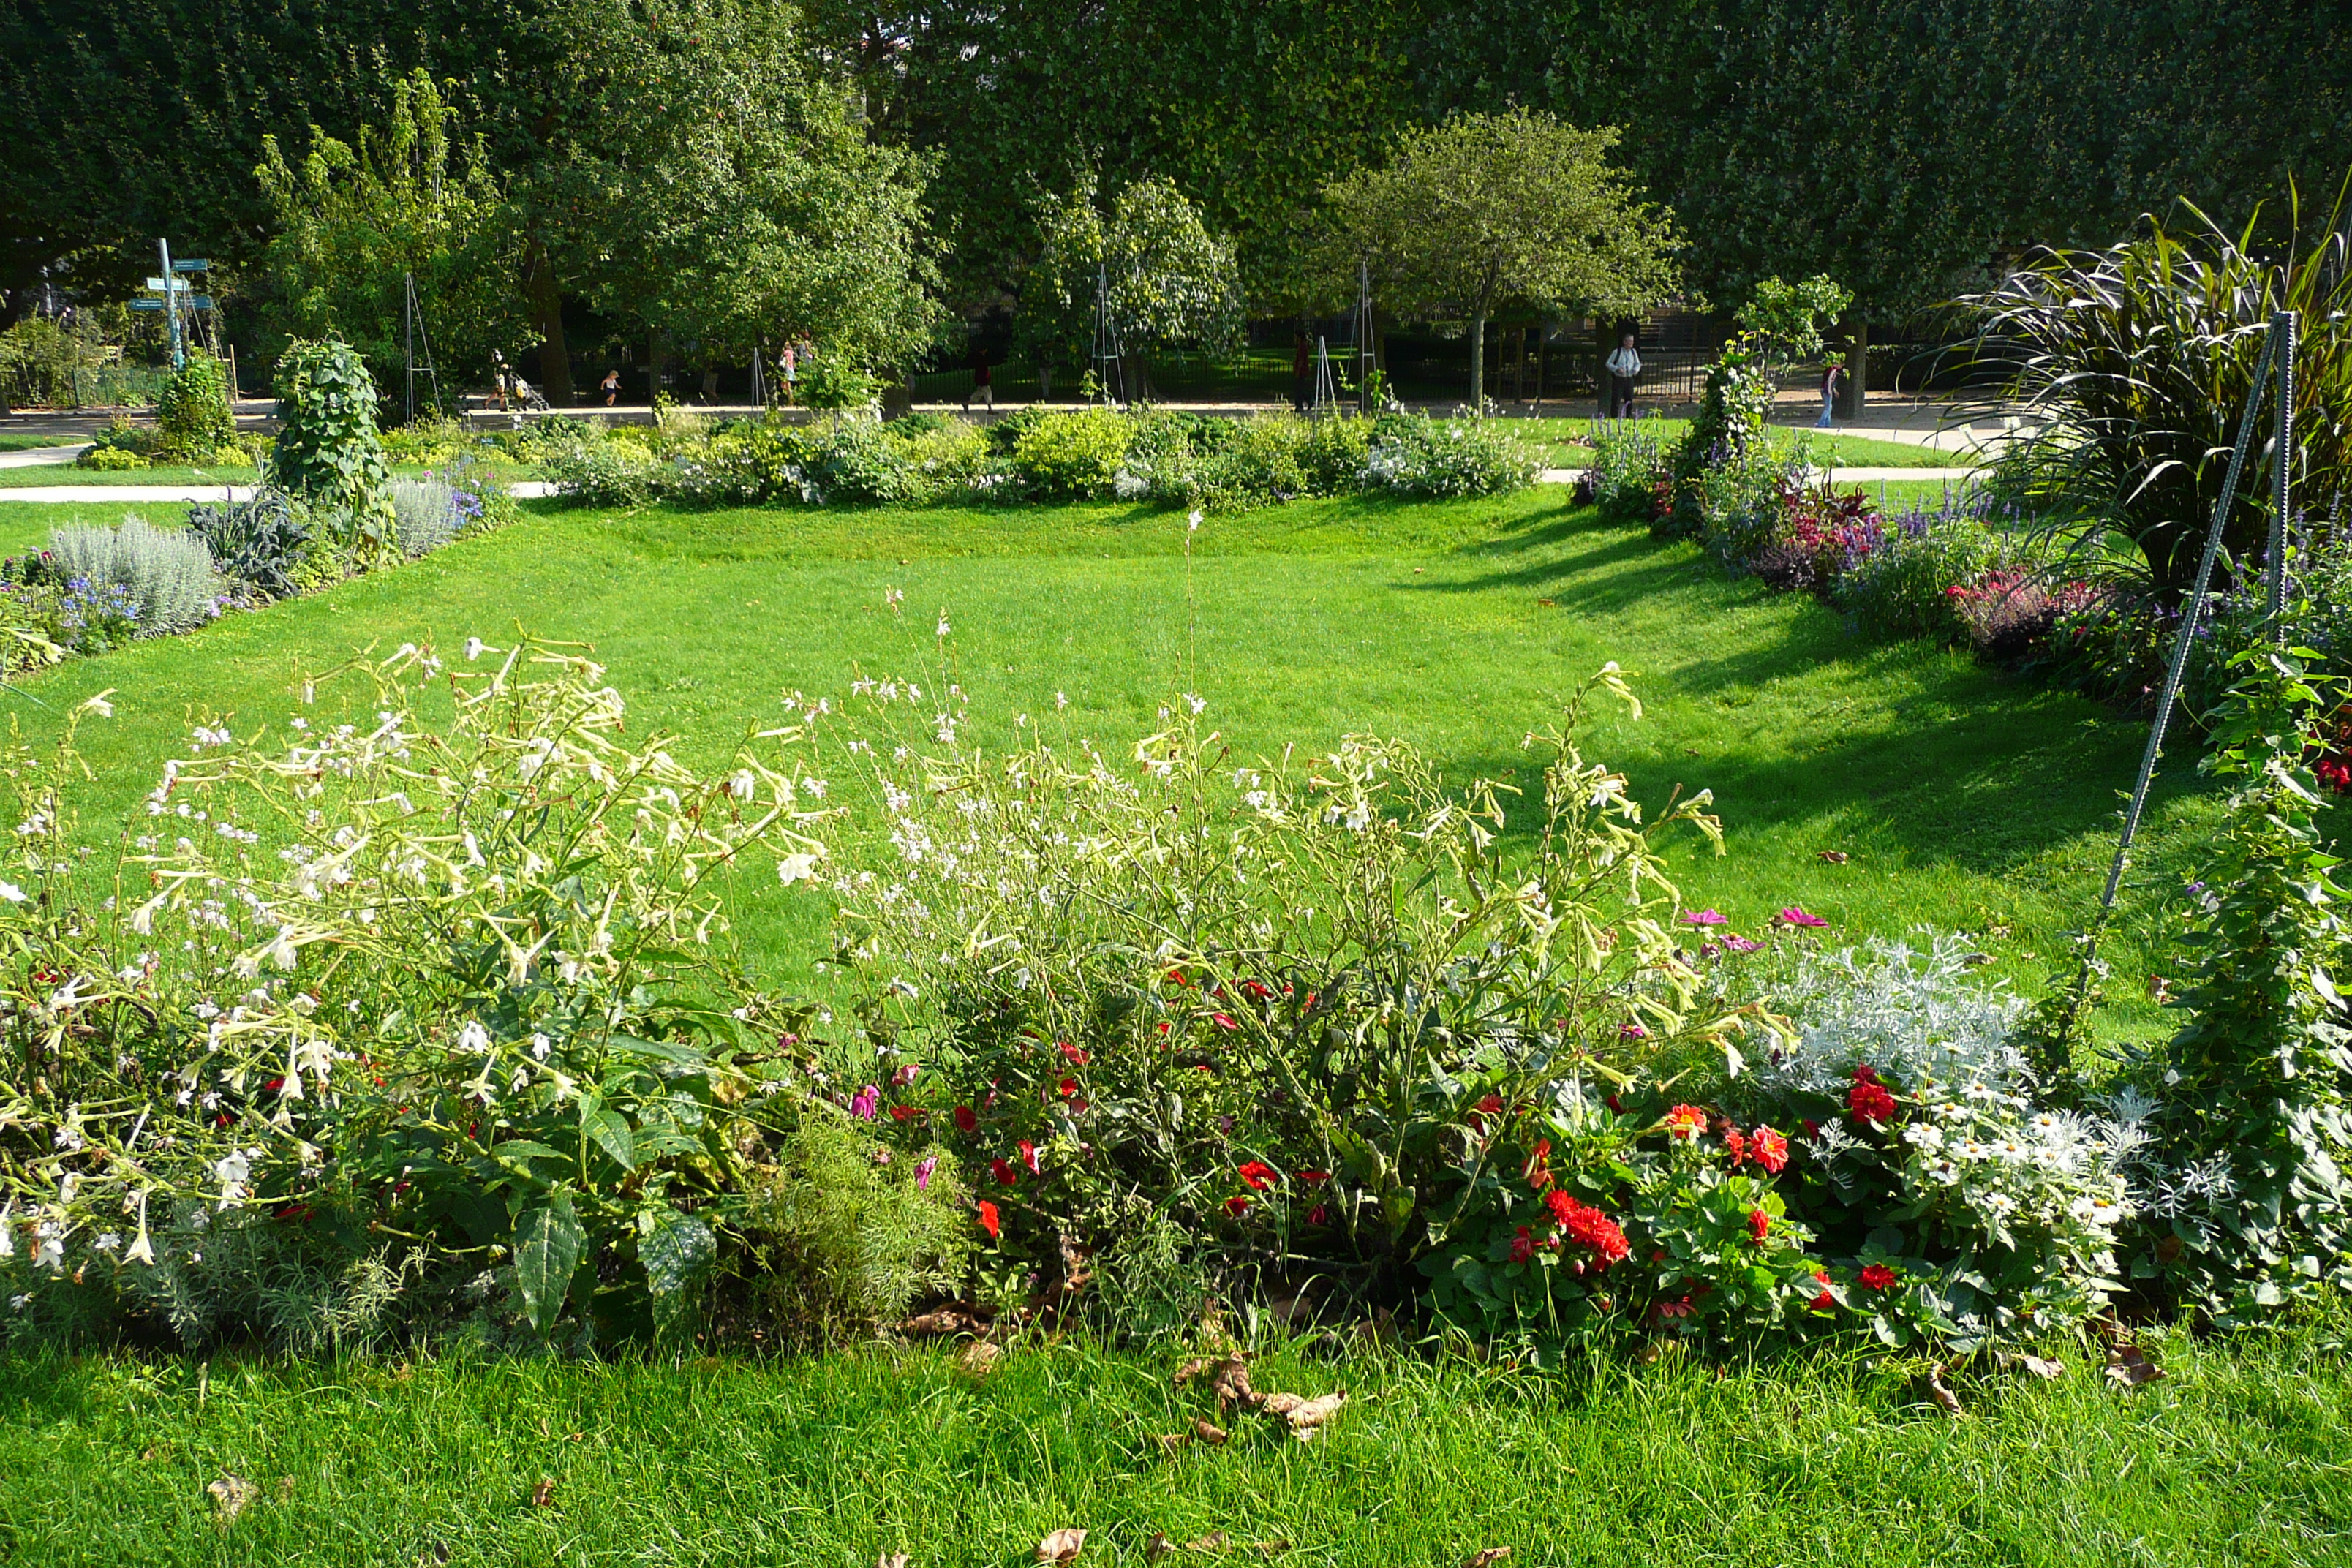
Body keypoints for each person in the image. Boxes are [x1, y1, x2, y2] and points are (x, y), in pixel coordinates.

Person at [1604, 332, 1640, 419]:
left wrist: (1636, 369)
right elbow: (1608, 364)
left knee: (1629, 399)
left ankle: (1629, 416)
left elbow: (1638, 363)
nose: (1631, 343)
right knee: (1616, 399)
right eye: (1629, 341)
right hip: (1619, 379)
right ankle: (1614, 416)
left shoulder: (1633, 352)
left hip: (1629, 378)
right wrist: (1617, 369)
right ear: (1624, 342)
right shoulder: (1617, 352)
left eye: (1632, 341)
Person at [963, 342, 993, 412]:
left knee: (978, 394)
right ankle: (990, 409)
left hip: (981, 379)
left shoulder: (979, 357)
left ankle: (967, 403)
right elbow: (983, 370)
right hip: (983, 379)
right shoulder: (981, 358)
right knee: (988, 393)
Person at [1817, 359, 1842, 427]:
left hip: (1824, 389)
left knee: (1829, 407)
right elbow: (1830, 379)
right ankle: (1821, 423)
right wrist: (1829, 390)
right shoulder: (1833, 370)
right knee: (1828, 408)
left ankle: (1827, 423)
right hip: (1826, 390)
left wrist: (1835, 391)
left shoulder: (1829, 369)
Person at [1292, 331, 1312, 413]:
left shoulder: (1302, 347)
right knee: (1300, 389)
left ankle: (1303, 404)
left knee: (1299, 389)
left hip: (1302, 371)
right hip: (1302, 371)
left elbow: (1301, 360)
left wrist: (1298, 371)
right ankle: (1305, 402)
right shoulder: (1302, 346)